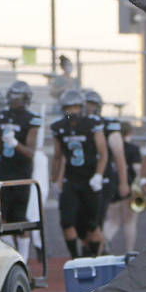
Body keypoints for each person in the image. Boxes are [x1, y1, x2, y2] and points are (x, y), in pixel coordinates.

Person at [50, 89, 108, 258]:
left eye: (76, 107)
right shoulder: (59, 127)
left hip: (90, 179)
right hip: (71, 179)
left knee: (92, 225)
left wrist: (98, 175)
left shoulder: (91, 124)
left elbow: (103, 153)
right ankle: (75, 258)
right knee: (66, 222)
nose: (73, 111)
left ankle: (93, 258)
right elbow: (57, 156)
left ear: (82, 108)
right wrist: (55, 179)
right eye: (69, 108)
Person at [0, 80, 42, 258]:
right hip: (3, 171)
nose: (14, 101)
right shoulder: (3, 116)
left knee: (19, 217)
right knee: (1, 216)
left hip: (21, 173)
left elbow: (30, 152)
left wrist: (15, 144)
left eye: (18, 97)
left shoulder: (31, 119)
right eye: (12, 97)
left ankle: (23, 257)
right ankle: (11, 254)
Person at [84, 90, 128, 251]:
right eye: (86, 106)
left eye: (92, 106)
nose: (89, 109)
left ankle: (100, 251)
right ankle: (93, 251)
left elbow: (119, 155)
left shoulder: (108, 125)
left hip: (103, 179)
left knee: (96, 220)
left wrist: (123, 182)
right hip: (82, 179)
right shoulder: (75, 125)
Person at [103, 121, 143, 253]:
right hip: (129, 187)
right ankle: (129, 251)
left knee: (113, 220)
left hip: (112, 186)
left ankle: (104, 242)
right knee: (129, 222)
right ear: (130, 133)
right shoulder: (133, 149)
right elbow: (138, 170)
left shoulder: (109, 147)